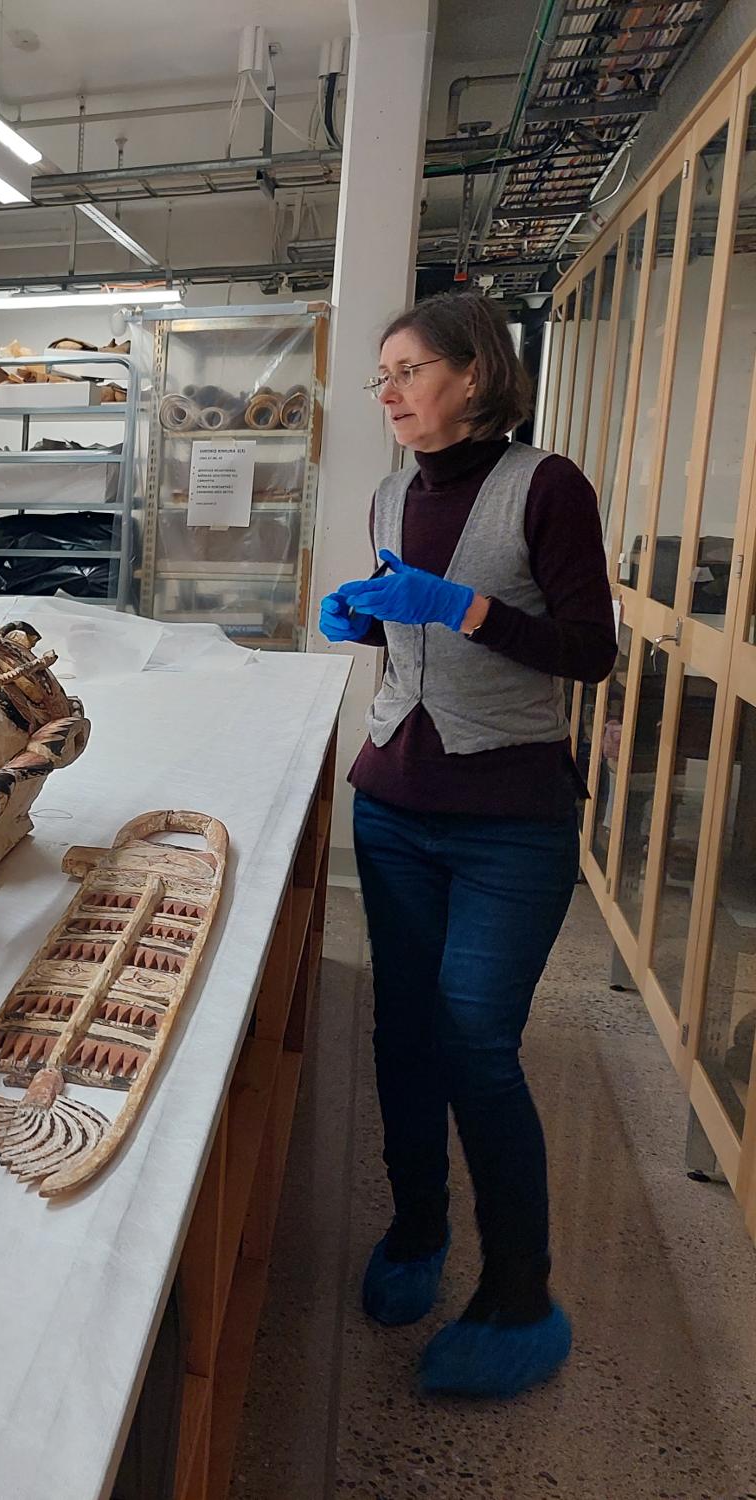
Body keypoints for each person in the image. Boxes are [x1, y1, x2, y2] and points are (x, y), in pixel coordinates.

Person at [320, 291, 617, 1398]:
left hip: (507, 820)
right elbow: (411, 642)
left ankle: (519, 1295)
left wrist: (465, 608)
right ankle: (415, 1230)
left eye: (408, 371)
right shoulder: (390, 492)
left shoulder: (547, 486)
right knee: (401, 1033)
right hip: (395, 801)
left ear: (475, 375)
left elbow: (588, 651)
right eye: (383, 376)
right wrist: (369, 619)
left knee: (475, 1045)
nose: (389, 393)